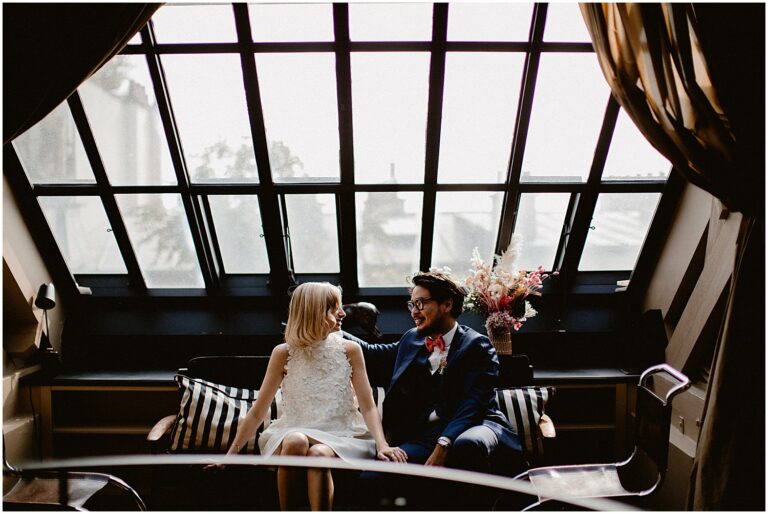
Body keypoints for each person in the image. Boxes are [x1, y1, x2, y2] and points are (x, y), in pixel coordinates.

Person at [206, 282, 407, 511]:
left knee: (319, 453)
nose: (343, 313)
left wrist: (382, 444)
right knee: (296, 440)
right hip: (293, 431)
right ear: (314, 312)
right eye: (334, 309)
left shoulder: (350, 350)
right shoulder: (283, 353)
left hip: (341, 434)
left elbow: (368, 405)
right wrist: (230, 456)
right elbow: (258, 410)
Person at [349, 270, 525, 478]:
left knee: (468, 445)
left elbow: (474, 403)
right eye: (412, 304)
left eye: (421, 303)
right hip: (425, 436)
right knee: (372, 478)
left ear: (447, 305)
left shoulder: (477, 345)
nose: (414, 311)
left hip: (473, 426)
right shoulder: (411, 339)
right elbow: (371, 353)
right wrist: (331, 325)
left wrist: (445, 442)